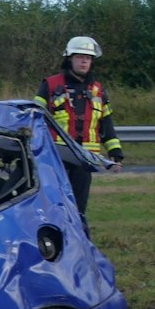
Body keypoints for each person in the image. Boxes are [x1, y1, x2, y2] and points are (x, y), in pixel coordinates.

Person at [40, 35, 123, 216]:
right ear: (70, 58)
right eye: (79, 56)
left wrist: (115, 152)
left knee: (78, 206)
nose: (84, 61)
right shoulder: (51, 85)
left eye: (88, 58)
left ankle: (78, 238)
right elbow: (35, 118)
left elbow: (106, 123)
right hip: (56, 154)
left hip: (84, 157)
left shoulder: (98, 90)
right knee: (51, 201)